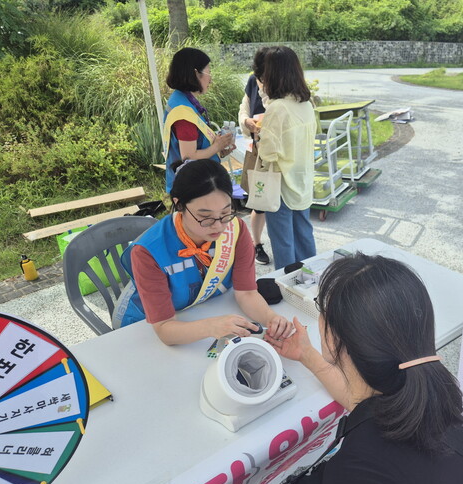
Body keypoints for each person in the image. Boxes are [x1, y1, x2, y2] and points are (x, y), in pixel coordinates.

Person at [264, 254, 463, 484]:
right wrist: (307, 355)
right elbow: (361, 401)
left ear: (333, 336)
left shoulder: (354, 472)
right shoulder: (427, 400)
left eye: (322, 307)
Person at [115, 159, 293, 346]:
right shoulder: (148, 251)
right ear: (179, 204)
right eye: (205, 216)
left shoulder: (235, 229)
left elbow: (247, 293)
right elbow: (164, 329)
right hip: (144, 328)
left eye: (225, 213)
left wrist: (271, 319)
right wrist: (211, 327)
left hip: (202, 312)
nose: (218, 226)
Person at [257, 46, 317, 270]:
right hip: (302, 180)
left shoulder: (277, 108)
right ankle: (311, 279)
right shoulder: (306, 104)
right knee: (304, 235)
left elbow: (268, 152)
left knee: (283, 242)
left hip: (280, 184)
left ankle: (286, 284)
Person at [163, 47, 235, 193]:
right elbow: (189, 156)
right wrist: (216, 147)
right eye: (209, 72)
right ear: (196, 73)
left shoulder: (181, 99)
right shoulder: (183, 112)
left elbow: (196, 144)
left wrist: (218, 150)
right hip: (192, 189)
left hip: (194, 182)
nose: (211, 79)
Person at [238, 47, 270, 266]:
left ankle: (283, 244)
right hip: (256, 148)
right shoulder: (252, 81)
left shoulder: (285, 84)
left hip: (276, 152)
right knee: (258, 201)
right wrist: (245, 121)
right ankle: (256, 244)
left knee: (276, 201)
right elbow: (244, 107)